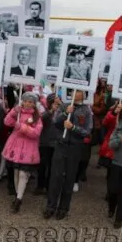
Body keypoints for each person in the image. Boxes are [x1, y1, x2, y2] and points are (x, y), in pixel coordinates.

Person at [44, 89, 92, 220]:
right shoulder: (64, 106)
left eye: (79, 91)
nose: (75, 93)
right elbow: (55, 122)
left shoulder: (86, 110)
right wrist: (65, 113)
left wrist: (73, 128)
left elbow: (87, 131)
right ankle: (50, 206)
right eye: (73, 91)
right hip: (61, 145)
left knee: (69, 178)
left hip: (75, 148)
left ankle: (63, 208)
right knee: (56, 177)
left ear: (84, 94)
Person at [1, 92, 44, 213]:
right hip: (15, 146)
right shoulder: (18, 112)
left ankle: (19, 198)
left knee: (23, 174)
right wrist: (14, 112)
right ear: (22, 101)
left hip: (28, 148)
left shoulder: (37, 117)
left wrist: (22, 128)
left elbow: (36, 133)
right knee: (15, 173)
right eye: (26, 101)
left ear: (34, 104)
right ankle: (17, 195)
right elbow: (7, 122)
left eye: (31, 102)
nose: (28, 103)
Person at [34, 93, 61, 196]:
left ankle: (49, 187)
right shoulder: (45, 111)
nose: (58, 101)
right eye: (55, 99)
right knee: (42, 165)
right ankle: (40, 186)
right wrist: (51, 111)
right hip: (44, 142)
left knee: (52, 166)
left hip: (55, 142)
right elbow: (41, 119)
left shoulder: (62, 112)